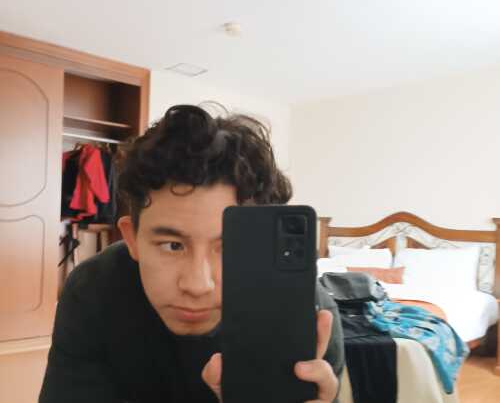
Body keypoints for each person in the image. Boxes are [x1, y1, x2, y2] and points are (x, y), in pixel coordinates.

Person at [39, 104, 344, 403]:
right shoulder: (94, 288)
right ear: (132, 238)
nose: (197, 285)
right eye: (173, 245)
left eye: (229, 248)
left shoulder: (308, 315)